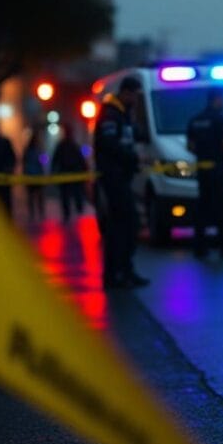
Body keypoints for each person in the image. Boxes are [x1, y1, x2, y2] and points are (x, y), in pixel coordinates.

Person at [94, 77, 149, 289]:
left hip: (122, 178)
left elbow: (134, 136)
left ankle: (123, 271)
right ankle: (117, 273)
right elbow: (110, 146)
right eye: (134, 95)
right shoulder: (110, 115)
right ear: (126, 93)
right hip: (113, 178)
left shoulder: (123, 116)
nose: (136, 99)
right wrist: (135, 158)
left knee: (122, 227)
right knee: (126, 226)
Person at [186, 88, 223, 259]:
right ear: (217, 99)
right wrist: (220, 156)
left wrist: (202, 156)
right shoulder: (220, 119)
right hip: (218, 169)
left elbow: (190, 146)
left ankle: (200, 247)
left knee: (202, 207)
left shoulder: (195, 120)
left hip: (203, 169)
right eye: (222, 99)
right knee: (222, 209)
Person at [52, 123, 88, 223]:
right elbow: (56, 160)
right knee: (68, 196)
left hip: (72, 175)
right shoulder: (65, 146)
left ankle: (76, 212)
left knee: (75, 195)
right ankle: (70, 214)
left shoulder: (71, 145)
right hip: (66, 174)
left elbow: (81, 161)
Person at [23, 129, 46, 222]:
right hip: (34, 176)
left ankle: (36, 213)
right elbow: (42, 161)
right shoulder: (36, 150)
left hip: (33, 175)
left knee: (34, 196)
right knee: (35, 196)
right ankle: (37, 213)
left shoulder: (31, 150)